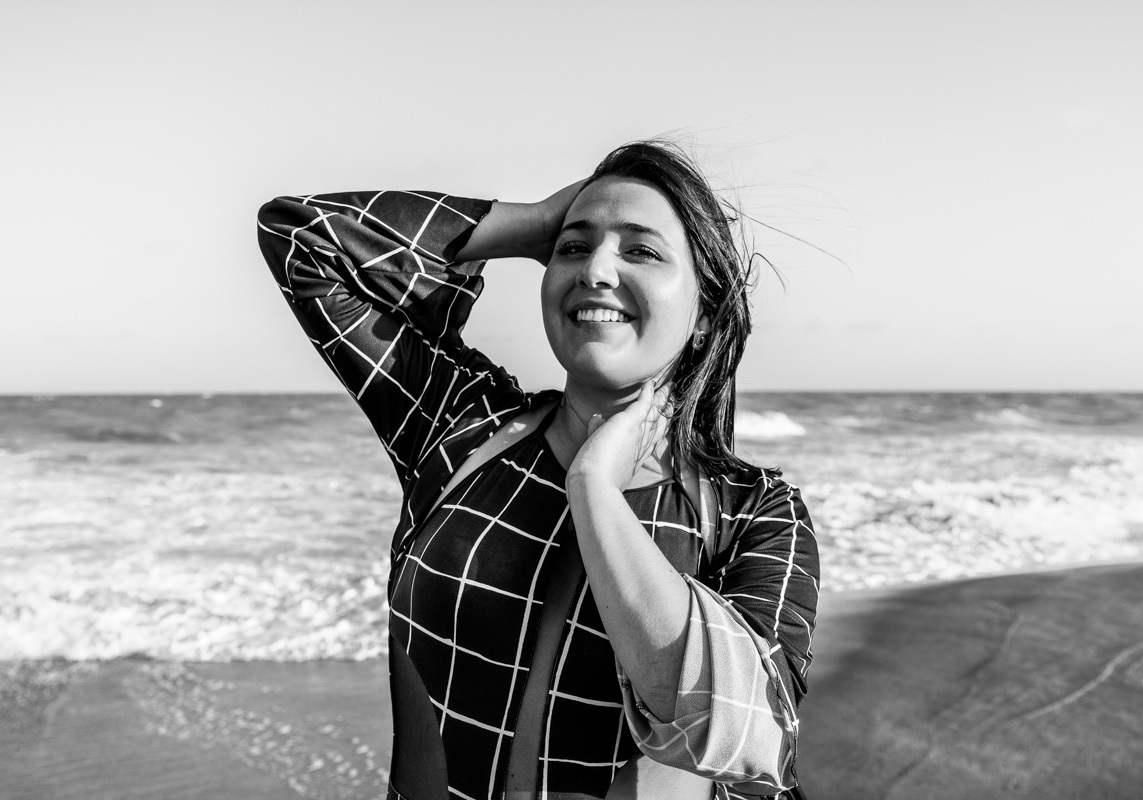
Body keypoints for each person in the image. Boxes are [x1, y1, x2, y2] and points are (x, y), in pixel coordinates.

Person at [257, 141, 819, 800]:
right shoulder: (462, 428)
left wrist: (594, 488)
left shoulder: (753, 513)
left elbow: (749, 733)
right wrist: (533, 221)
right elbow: (303, 238)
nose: (596, 270)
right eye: (573, 248)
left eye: (641, 251)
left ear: (704, 314)